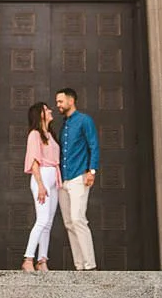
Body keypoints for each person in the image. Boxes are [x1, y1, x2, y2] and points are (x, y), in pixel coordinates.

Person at [53, 87, 100, 270]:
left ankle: (90, 266)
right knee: (68, 223)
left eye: (60, 101)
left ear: (71, 101)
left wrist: (92, 171)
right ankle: (79, 265)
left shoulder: (84, 120)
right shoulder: (64, 124)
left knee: (78, 219)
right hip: (63, 181)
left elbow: (93, 145)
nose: (58, 105)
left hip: (79, 177)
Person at [20, 101, 60, 272]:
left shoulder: (50, 134)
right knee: (42, 220)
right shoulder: (35, 135)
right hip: (42, 177)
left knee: (48, 222)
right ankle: (28, 259)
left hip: (53, 178)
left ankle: (42, 260)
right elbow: (34, 161)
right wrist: (40, 184)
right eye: (46, 109)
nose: (50, 110)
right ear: (40, 114)